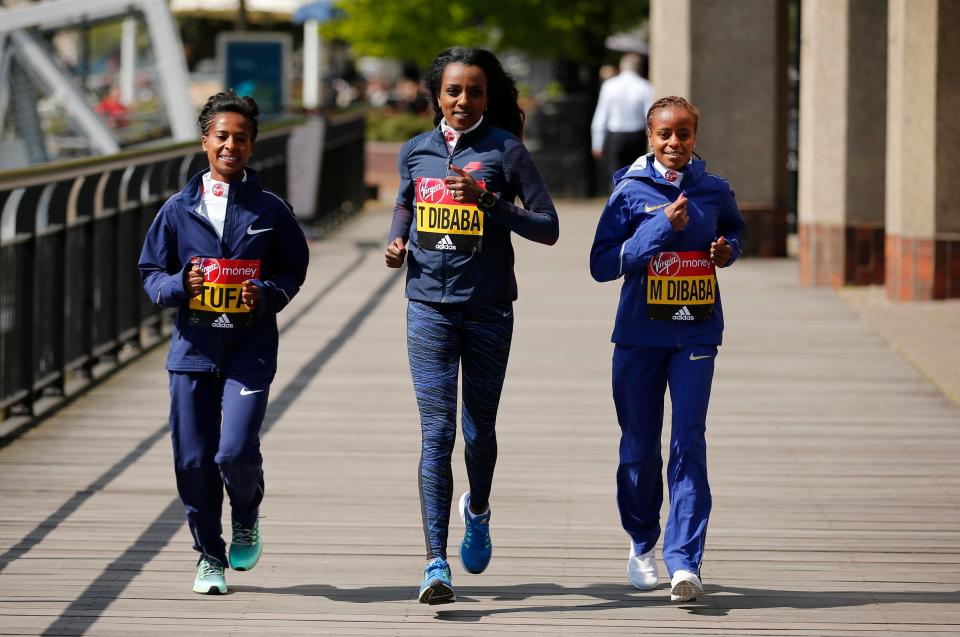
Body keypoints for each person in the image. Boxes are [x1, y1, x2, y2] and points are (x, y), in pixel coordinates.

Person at [384, 47, 559, 605]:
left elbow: (549, 228)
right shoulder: (415, 151)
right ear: (436, 95)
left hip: (487, 307)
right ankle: (435, 562)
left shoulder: (506, 151)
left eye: (475, 91)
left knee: (478, 431)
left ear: (488, 97)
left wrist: (488, 201)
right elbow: (405, 205)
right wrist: (396, 241)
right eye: (454, 91)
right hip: (427, 307)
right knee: (436, 434)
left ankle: (477, 510)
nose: (464, 101)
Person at [138, 90, 309, 594]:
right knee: (192, 460)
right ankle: (209, 556)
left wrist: (266, 294)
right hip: (191, 352)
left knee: (233, 452)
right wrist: (178, 288)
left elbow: (293, 270)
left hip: (248, 353)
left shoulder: (271, 209)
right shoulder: (177, 208)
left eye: (240, 138)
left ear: (252, 146)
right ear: (205, 142)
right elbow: (151, 271)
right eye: (221, 136)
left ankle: (247, 513)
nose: (230, 145)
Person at [589, 96, 744, 602]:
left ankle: (684, 562)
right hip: (638, 336)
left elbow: (734, 232)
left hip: (695, 335)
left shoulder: (714, 190)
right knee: (638, 448)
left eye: (684, 134)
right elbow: (601, 263)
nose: (674, 143)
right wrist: (660, 228)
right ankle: (641, 541)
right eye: (664, 135)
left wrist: (727, 251)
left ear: (695, 137)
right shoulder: (631, 192)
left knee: (688, 441)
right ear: (649, 138)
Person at [590, 53, 654, 191]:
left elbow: (601, 115)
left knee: (616, 176)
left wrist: (597, 143)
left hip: (615, 136)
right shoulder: (645, 86)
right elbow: (649, 116)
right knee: (637, 175)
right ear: (639, 68)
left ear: (621, 67)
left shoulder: (609, 85)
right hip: (637, 136)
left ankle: (617, 206)